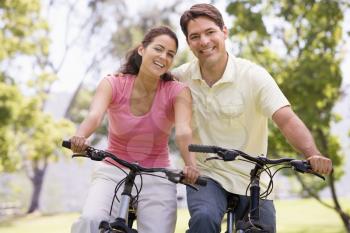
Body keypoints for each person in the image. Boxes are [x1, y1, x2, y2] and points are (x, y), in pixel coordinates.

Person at [171, 3, 333, 233]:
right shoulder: (180, 77)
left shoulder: (253, 76)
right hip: (207, 176)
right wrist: (121, 76)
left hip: (253, 177)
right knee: (203, 219)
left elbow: (286, 120)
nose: (204, 41)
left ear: (224, 32)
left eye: (210, 32)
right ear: (188, 43)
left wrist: (312, 154)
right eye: (195, 36)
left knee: (262, 228)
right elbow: (146, 77)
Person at [69, 26, 199, 233]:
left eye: (170, 54)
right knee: (90, 221)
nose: (163, 57)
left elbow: (183, 130)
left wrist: (190, 164)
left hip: (158, 173)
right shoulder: (113, 83)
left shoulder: (177, 91)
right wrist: (80, 136)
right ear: (141, 50)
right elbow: (94, 116)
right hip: (113, 168)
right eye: (158, 49)